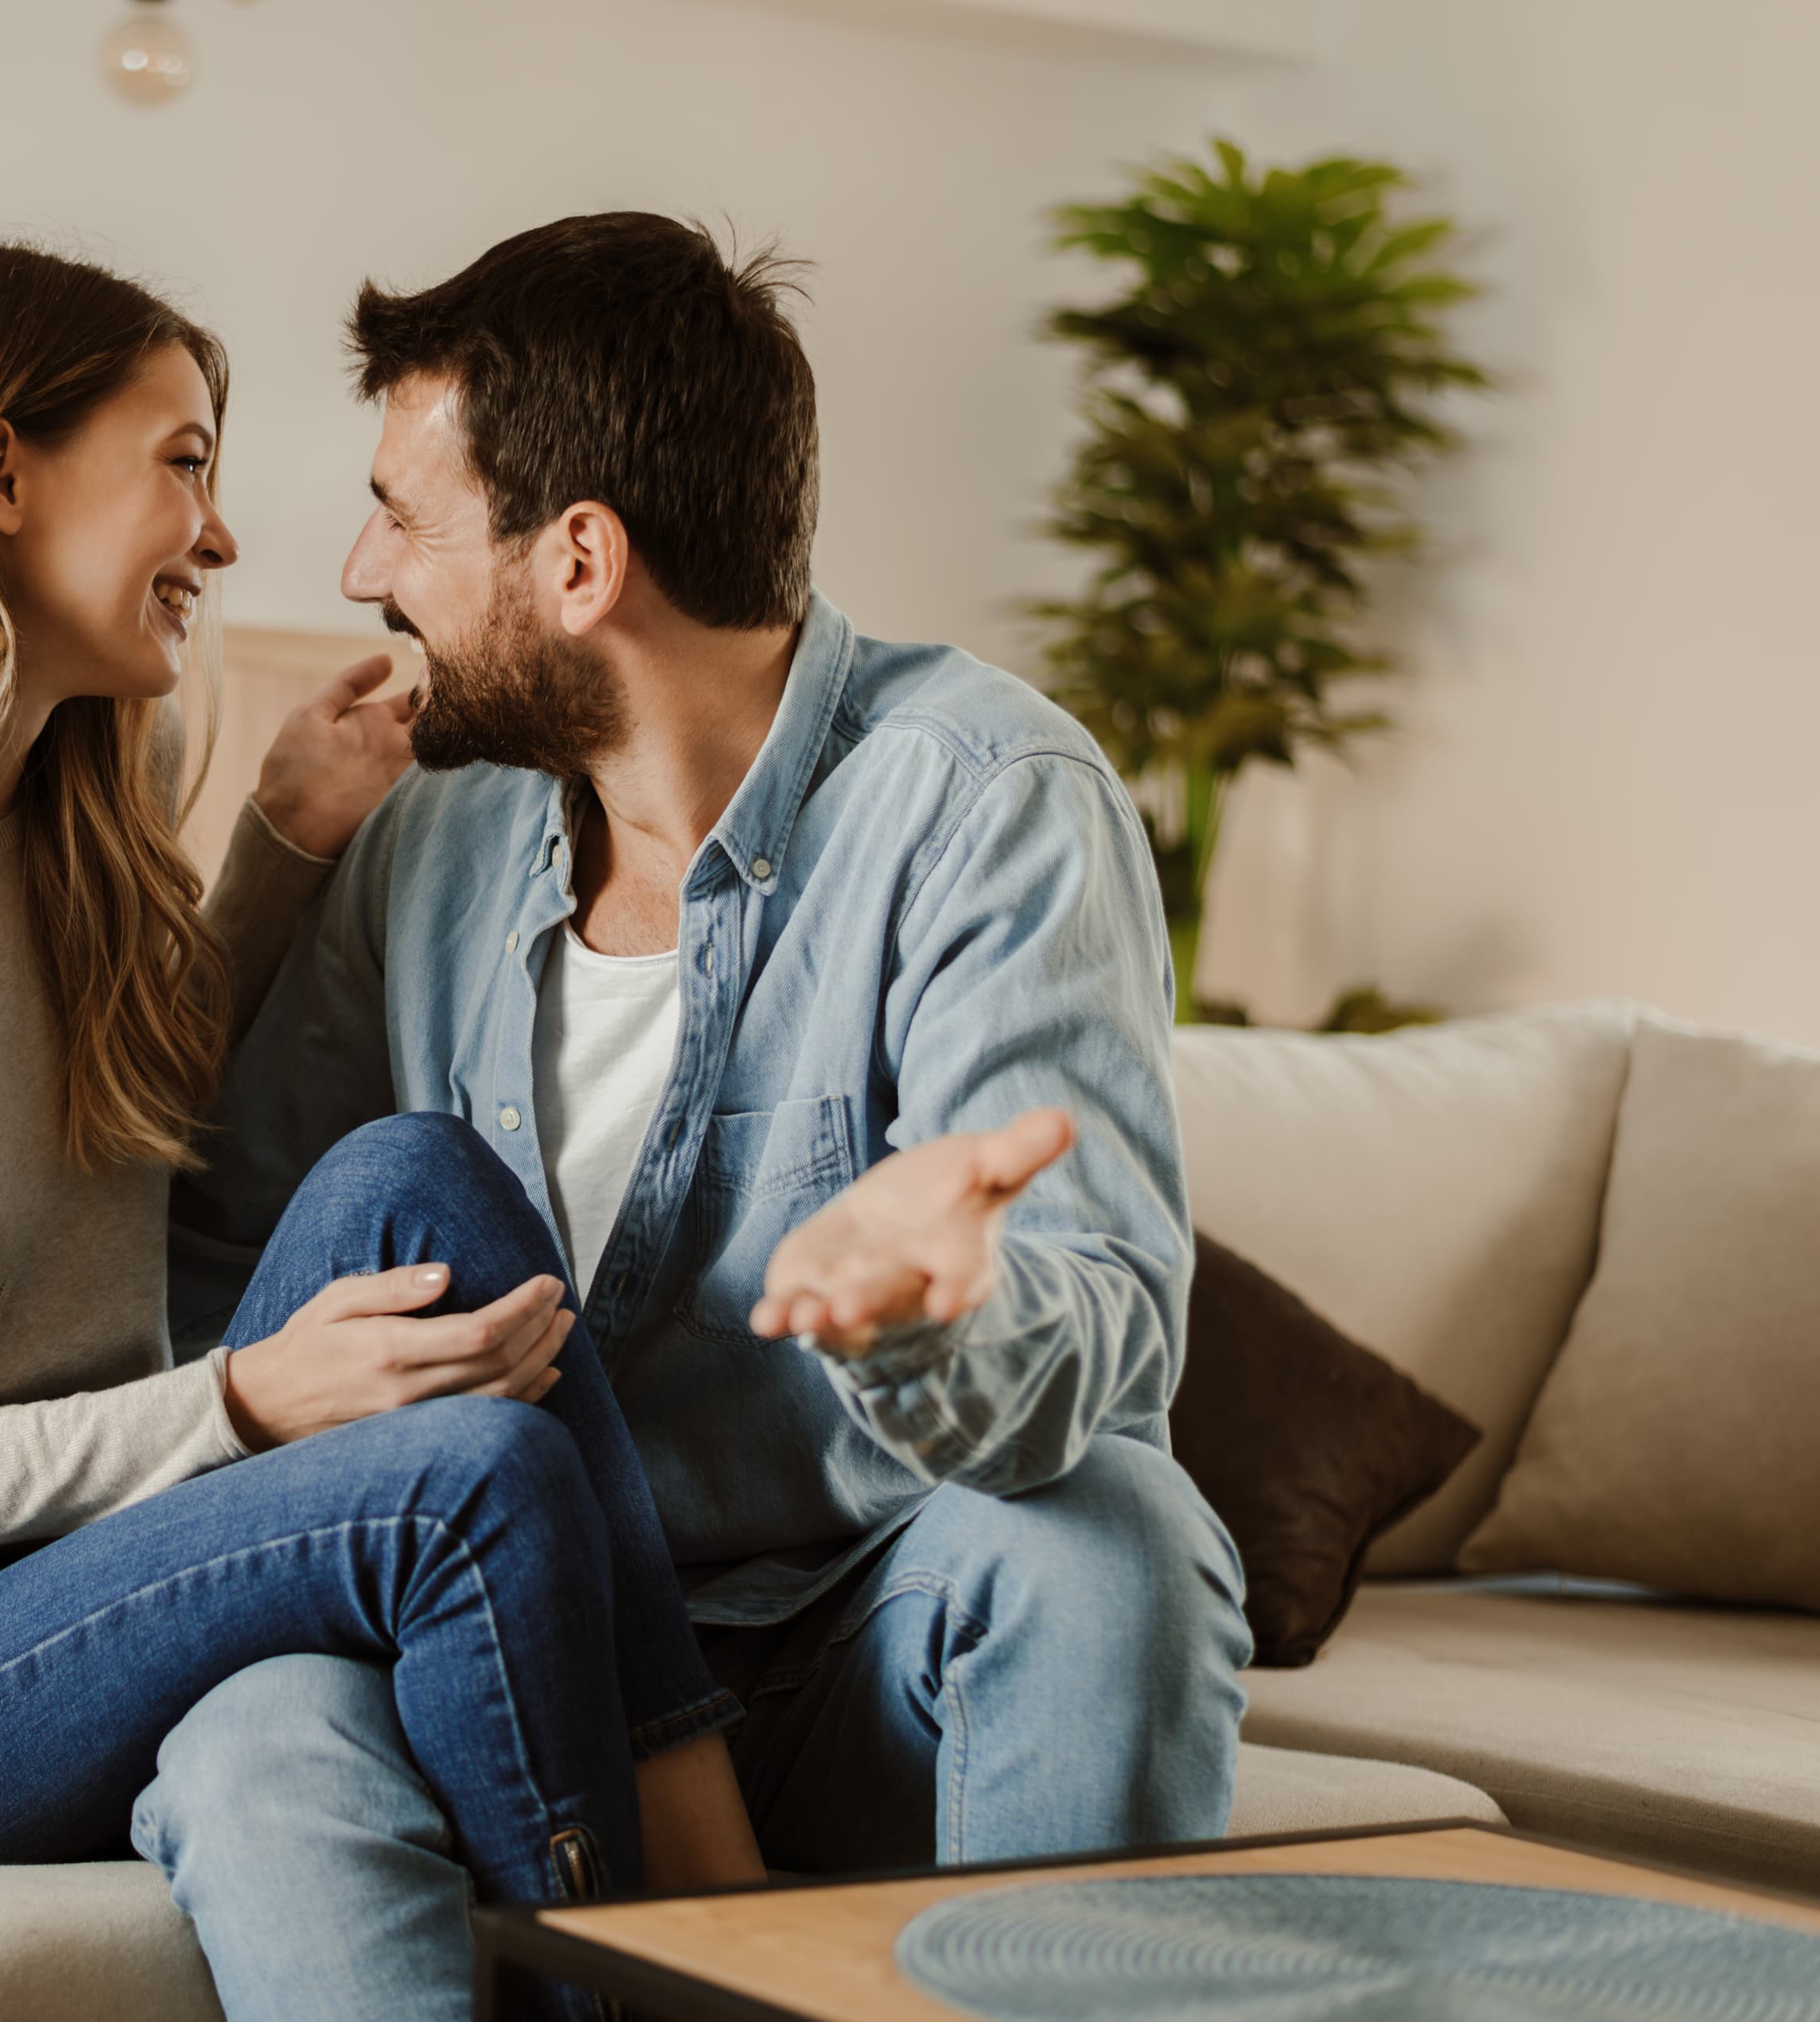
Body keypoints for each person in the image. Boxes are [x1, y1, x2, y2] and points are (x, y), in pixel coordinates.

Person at [0, 239, 761, 2004]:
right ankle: (667, 1981)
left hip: (34, 1574)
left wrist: (280, 839)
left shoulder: (63, 827)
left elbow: (104, 1117)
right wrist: (250, 1399)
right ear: (1, 473)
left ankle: (730, 1917)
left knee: (422, 1176)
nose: (225, 532)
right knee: (467, 1477)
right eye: (183, 461)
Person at [117, 213, 1255, 2020]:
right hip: (489, 1642)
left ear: (581, 560)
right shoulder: (429, 842)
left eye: (405, 520)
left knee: (1112, 1543)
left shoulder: (985, 803)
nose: (358, 569)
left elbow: (1103, 1322)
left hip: (844, 1634)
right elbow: (231, 1250)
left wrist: (937, 1313)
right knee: (256, 1729)